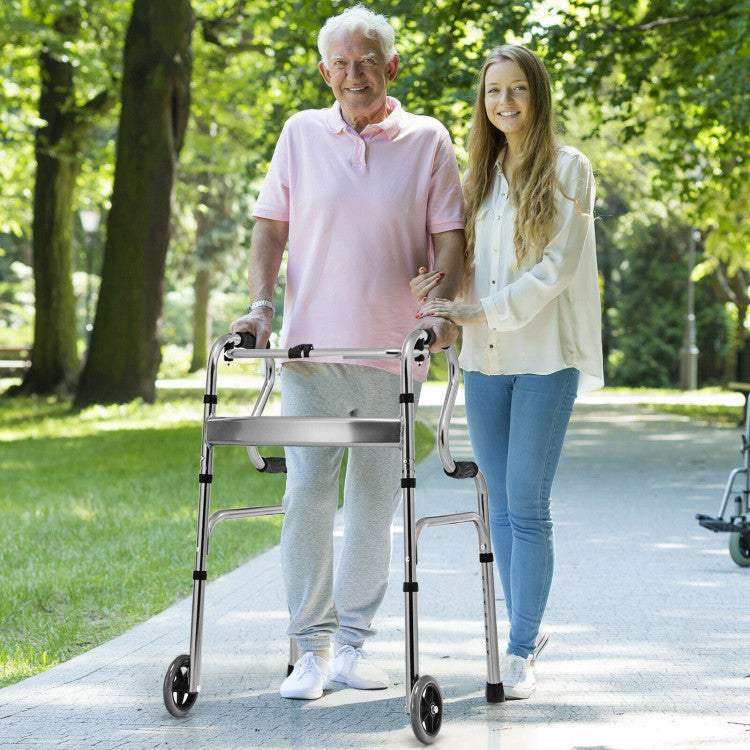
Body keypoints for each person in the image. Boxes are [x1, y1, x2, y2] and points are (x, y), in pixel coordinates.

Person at [230, 5, 465, 701]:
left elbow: (448, 235)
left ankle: (355, 646)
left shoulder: (428, 139)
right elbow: (270, 228)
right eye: (341, 64)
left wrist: (442, 301)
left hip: (395, 355)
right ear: (325, 70)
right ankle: (310, 650)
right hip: (309, 353)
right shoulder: (301, 133)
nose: (353, 75)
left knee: (372, 500)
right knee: (305, 493)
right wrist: (260, 308)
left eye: (367, 62)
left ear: (391, 66)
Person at [413, 45, 604, 699]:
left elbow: (555, 270)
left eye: (517, 89)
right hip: (484, 364)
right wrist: (436, 281)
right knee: (497, 506)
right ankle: (525, 629)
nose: (505, 103)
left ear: (538, 95)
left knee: (527, 503)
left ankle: (519, 649)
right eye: (494, 92)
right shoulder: (479, 176)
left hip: (547, 359)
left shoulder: (571, 169)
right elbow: (463, 262)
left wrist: (480, 310)